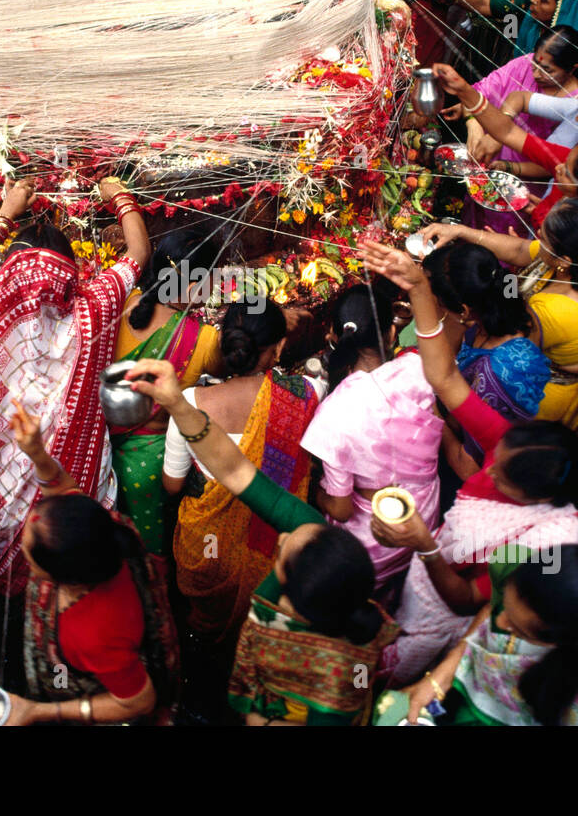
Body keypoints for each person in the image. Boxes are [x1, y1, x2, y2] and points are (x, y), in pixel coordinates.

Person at [358, 238, 578, 685]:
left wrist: (426, 544)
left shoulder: (535, 547)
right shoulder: (504, 441)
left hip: (444, 608)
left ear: (535, 501)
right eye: (498, 459)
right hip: (432, 555)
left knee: (399, 663)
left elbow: (464, 600)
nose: (491, 470)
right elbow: (442, 377)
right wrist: (418, 288)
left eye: (500, 478)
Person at [127, 358, 397, 726]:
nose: (283, 535)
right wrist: (177, 404)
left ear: (296, 609)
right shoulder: (312, 530)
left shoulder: (337, 681)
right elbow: (234, 469)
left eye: (283, 553)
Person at [0, 176, 151, 594]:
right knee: (71, 538)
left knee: (18, 538)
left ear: (11, 269)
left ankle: (16, 583)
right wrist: (120, 198)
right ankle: (69, 582)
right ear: (70, 272)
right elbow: (138, 254)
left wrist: (7, 211)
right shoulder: (94, 307)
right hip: (73, 472)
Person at [0, 401, 179, 726]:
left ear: (66, 579)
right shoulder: (100, 529)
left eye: (29, 556)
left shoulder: (96, 634)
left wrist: (39, 712)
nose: (22, 556)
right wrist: (36, 451)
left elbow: (139, 701)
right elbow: (65, 489)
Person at [163, 301, 324, 643]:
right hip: (268, 546)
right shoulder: (304, 395)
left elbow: (172, 484)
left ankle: (201, 649)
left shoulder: (189, 402)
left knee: (202, 626)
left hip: (206, 549)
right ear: (279, 347)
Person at [417, 197, 578, 433]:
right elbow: (519, 249)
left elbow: (500, 325)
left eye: (542, 237)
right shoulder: (569, 260)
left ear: (564, 261)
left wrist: (438, 292)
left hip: (538, 395)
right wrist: (460, 231)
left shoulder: (556, 312)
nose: (535, 235)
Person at [397, 546, 578, 725]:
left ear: (570, 641)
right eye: (504, 607)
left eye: (519, 629)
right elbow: (490, 610)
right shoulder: (522, 563)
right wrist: (444, 672)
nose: (498, 621)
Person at [301, 286, 445, 598]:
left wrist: (314, 491)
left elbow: (340, 510)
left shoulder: (333, 412)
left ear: (333, 336)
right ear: (393, 333)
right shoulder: (420, 368)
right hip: (424, 517)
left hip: (373, 543)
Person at [435, 63, 578, 241]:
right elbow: (508, 131)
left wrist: (534, 237)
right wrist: (464, 91)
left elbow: (544, 256)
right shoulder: (574, 158)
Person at [111, 228, 222, 555]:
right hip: (152, 465)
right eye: (212, 279)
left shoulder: (127, 302)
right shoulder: (202, 341)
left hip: (105, 449)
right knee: (150, 550)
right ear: (191, 287)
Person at [424, 241, 550, 476]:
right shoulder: (506, 286)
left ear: (463, 310)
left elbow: (467, 467)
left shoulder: (497, 376)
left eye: (435, 298)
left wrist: (434, 416)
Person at [447, 28, 578, 234]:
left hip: (523, 189)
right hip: (484, 169)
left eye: (547, 70)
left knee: (506, 241)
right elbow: (477, 94)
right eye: (536, 64)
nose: (536, 73)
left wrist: (507, 166)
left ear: (572, 69)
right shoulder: (525, 64)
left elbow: (554, 164)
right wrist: (474, 124)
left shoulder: (577, 107)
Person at [427, 0, 578, 82]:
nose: (533, 0)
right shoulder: (531, 20)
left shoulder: (575, 61)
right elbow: (486, 3)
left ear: (563, 10)